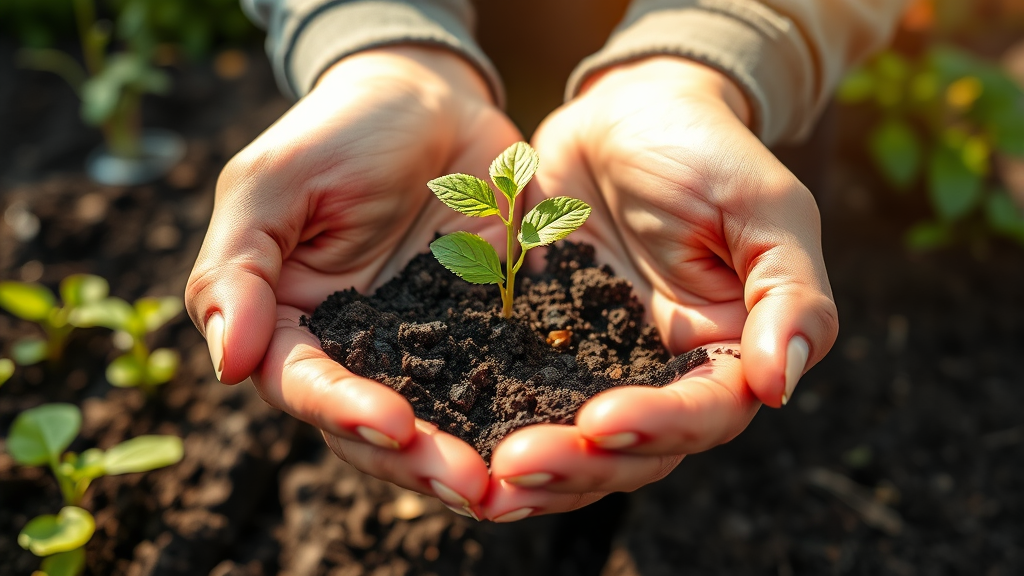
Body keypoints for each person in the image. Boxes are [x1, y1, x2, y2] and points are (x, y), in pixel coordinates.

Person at [185, 0, 906, 522]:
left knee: (699, 467)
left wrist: (708, 52)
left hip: (727, 132)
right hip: (449, 71)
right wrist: (376, 44)